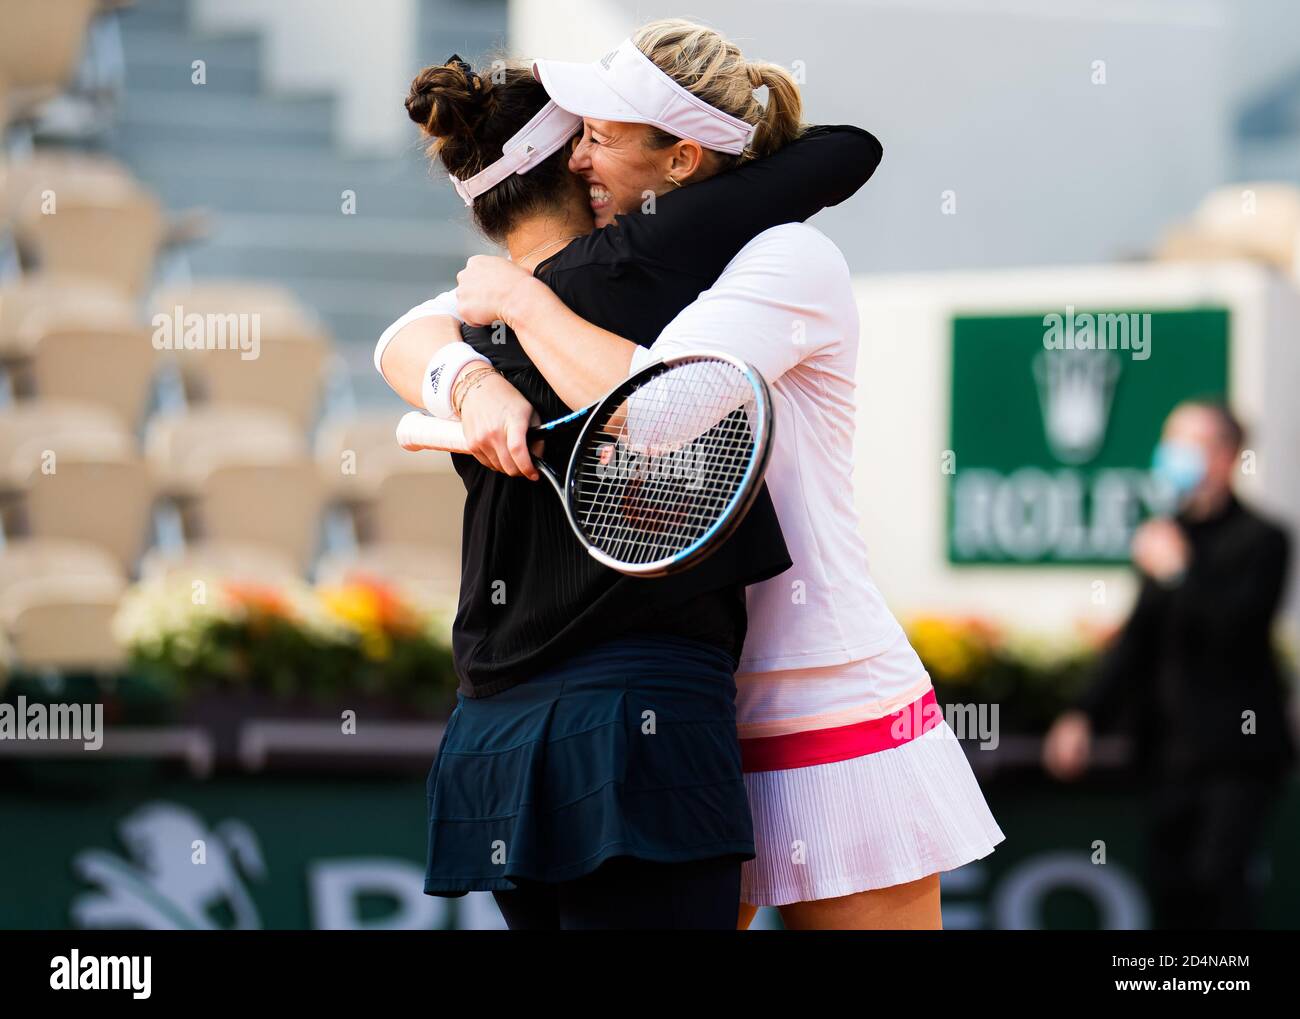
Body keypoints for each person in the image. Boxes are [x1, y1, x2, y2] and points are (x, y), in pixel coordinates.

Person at [419, 19, 1005, 930]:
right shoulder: (644, 266)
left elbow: (651, 412)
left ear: (683, 160)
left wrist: (521, 303)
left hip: (825, 696)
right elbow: (415, 324)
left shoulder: (787, 260)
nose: (578, 162)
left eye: (602, 138)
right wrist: (464, 372)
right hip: (695, 711)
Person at [1044, 400, 1295, 929]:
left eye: (1192, 443)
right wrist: (1083, 715)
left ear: (1226, 457)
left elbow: (1238, 630)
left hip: (1237, 757)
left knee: (1217, 884)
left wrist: (1181, 572)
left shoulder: (1263, 540)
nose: (1175, 454)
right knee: (1172, 890)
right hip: (1166, 755)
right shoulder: (1167, 535)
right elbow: (1138, 641)